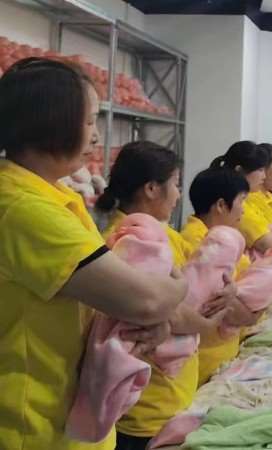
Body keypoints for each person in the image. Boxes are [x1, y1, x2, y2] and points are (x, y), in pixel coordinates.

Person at [0, 58, 185, 450]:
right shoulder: (23, 209)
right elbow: (147, 300)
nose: (97, 136)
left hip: (66, 421)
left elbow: (115, 300)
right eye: (89, 122)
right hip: (35, 429)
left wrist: (151, 318)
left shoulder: (55, 196)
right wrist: (175, 289)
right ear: (52, 124)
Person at [97, 141, 233, 450]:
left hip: (175, 395)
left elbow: (197, 291)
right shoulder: (128, 240)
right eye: (175, 184)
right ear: (151, 189)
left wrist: (227, 291)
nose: (178, 195)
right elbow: (170, 312)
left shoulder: (165, 235)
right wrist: (211, 320)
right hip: (147, 409)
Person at [181, 167, 261, 386]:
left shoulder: (224, 240)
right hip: (207, 361)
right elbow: (218, 306)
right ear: (221, 205)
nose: (244, 210)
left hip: (227, 350)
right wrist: (251, 312)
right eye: (242, 201)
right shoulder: (200, 245)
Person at [211, 141, 272, 253]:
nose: (264, 176)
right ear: (239, 171)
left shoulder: (246, 201)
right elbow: (269, 244)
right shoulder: (237, 206)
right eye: (260, 170)